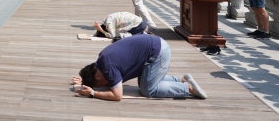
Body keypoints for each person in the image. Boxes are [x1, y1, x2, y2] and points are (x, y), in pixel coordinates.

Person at [70, 34, 207, 100]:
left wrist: (94, 93)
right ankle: (180, 80)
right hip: (156, 47)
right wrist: (84, 81)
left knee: (148, 90)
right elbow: (100, 78)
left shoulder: (108, 68)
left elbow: (117, 96)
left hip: (158, 53)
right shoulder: (101, 61)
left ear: (97, 76)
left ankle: (187, 88)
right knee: (145, 82)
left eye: (99, 84)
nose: (106, 85)